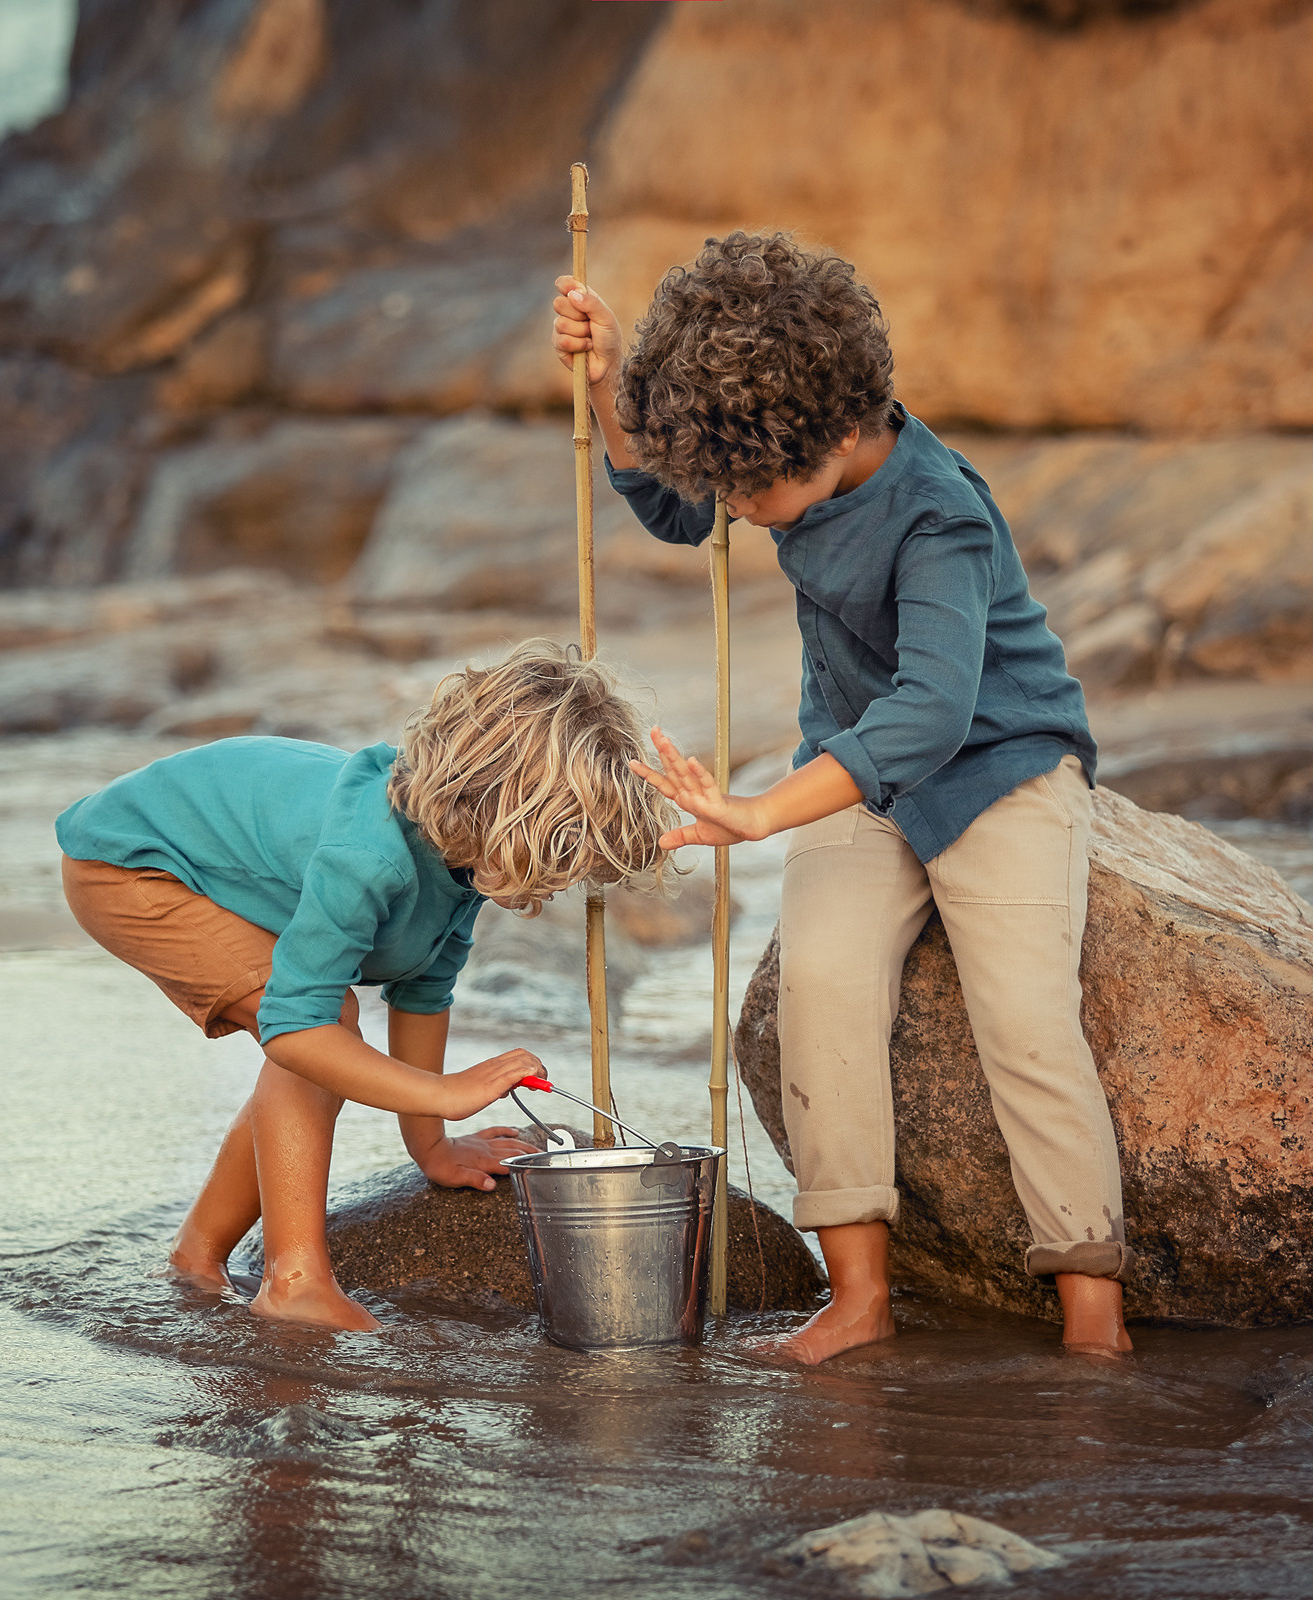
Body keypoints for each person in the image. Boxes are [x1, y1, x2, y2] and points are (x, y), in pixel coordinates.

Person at [551, 232, 1132, 1362]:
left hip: (998, 769)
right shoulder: (769, 460)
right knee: (818, 984)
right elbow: (675, 510)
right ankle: (857, 1295)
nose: (747, 510)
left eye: (758, 490)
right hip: (860, 781)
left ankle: (1090, 1307)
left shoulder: (937, 514)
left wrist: (763, 812)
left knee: (1022, 1021)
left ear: (837, 431)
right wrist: (609, 385)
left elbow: (931, 712)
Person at [55, 640, 678, 1332]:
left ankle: (196, 1258)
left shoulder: (462, 863)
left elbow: (422, 995)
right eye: (553, 852)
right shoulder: (368, 856)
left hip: (211, 860)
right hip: (132, 867)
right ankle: (292, 1280)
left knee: (321, 1030)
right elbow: (297, 1029)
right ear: (488, 803)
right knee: (320, 1026)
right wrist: (442, 1092)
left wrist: (431, 1145)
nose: (558, 881)